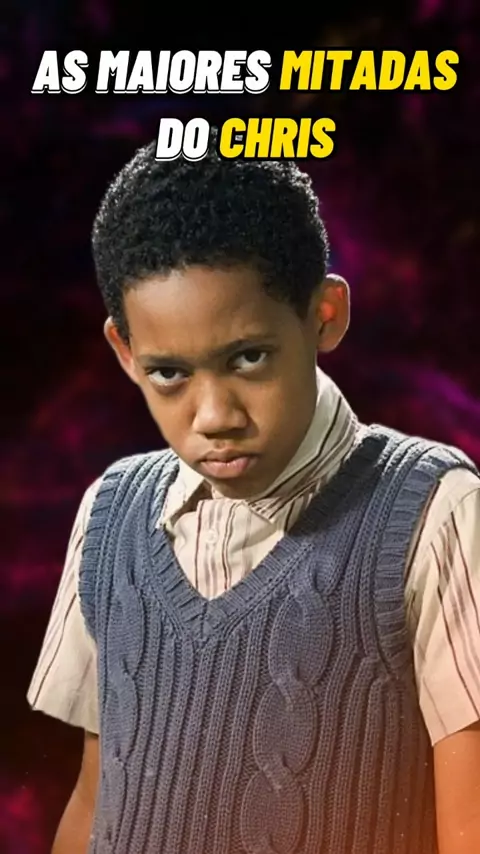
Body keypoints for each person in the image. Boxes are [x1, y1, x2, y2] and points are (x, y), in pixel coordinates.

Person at [28, 136, 480, 854]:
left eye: (248, 357)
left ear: (325, 314)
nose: (214, 416)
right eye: (170, 373)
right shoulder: (108, 514)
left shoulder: (436, 513)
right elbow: (93, 800)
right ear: (124, 351)